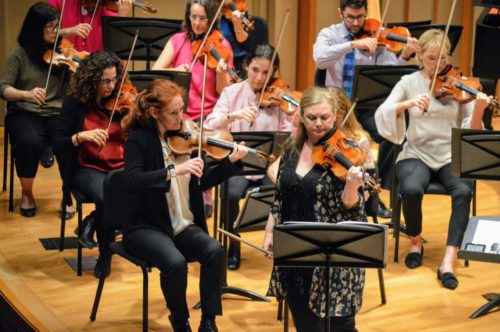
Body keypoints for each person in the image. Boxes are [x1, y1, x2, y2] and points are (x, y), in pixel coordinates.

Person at [120, 79, 248, 332]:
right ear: (155, 113)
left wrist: (230, 163)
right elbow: (132, 180)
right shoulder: (139, 140)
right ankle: (180, 320)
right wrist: (173, 170)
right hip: (148, 226)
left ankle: (208, 320)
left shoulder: (185, 138)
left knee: (214, 251)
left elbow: (201, 181)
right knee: (176, 263)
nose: (182, 118)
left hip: (182, 223)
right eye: (174, 113)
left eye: (182, 110)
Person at [375, 29, 490, 290]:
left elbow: (469, 134)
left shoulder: (459, 84)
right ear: (419, 56)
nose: (438, 64)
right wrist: (407, 105)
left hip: (451, 154)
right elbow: (384, 111)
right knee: (412, 189)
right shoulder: (408, 82)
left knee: (463, 190)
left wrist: (479, 111)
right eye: (430, 58)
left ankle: (449, 258)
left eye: (443, 57)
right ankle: (415, 241)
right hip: (416, 152)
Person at [262, 87, 366, 332]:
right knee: (304, 322)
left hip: (332, 253)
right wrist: (269, 232)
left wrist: (352, 185)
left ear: (335, 117)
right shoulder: (291, 150)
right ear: (302, 116)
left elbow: (352, 208)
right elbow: (280, 196)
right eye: (312, 118)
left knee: (340, 327)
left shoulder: (348, 151)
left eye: (325, 118)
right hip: (296, 248)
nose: (319, 124)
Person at [312, 0, 419, 218]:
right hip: (337, 110)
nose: (356, 22)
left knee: (394, 132)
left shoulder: (376, 34)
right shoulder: (330, 34)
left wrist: (405, 56)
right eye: (350, 17)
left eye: (360, 16)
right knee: (356, 147)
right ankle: (369, 202)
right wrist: (351, 45)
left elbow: (390, 71)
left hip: (366, 105)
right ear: (340, 12)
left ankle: (382, 187)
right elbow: (320, 58)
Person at [205, 44, 294, 270]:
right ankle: (233, 243)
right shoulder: (231, 92)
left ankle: (279, 242)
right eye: (255, 70)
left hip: (267, 163)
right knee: (231, 193)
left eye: (266, 73)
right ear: (246, 66)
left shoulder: (278, 98)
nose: (259, 78)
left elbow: (288, 135)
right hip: (238, 162)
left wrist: (293, 117)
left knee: (287, 187)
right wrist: (232, 116)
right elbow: (208, 125)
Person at [53, 50, 127, 277]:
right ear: (92, 80)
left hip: (119, 163)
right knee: (108, 196)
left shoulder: (121, 101)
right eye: (105, 81)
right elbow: (57, 144)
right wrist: (81, 137)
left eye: (115, 79)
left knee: (141, 187)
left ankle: (91, 222)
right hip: (85, 166)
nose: (112, 86)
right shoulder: (74, 104)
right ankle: (105, 256)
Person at [0, 2, 73, 218]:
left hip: (56, 113)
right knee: (28, 142)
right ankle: (27, 194)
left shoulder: (64, 52)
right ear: (36, 28)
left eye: (58, 26)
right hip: (24, 112)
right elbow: (3, 88)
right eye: (51, 27)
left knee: (70, 141)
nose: (56, 31)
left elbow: (74, 91)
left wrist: (76, 71)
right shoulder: (19, 54)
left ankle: (67, 193)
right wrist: (27, 94)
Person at [153, 0, 233, 121]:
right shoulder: (177, 40)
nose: (196, 23)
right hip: (178, 114)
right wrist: (174, 71)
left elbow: (224, 93)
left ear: (211, 19)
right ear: (188, 16)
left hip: (209, 116)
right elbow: (155, 73)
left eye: (202, 18)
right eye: (193, 17)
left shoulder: (222, 46)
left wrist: (221, 74)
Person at [48, 0, 133, 52]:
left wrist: (122, 18)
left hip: (97, 69)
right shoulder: (60, 2)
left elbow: (118, 50)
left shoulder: (110, 7)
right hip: (64, 63)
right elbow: (45, 34)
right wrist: (68, 31)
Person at [216, 0, 269, 78]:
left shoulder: (259, 24)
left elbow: (256, 53)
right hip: (221, 68)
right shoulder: (217, 23)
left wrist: (237, 25)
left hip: (246, 70)